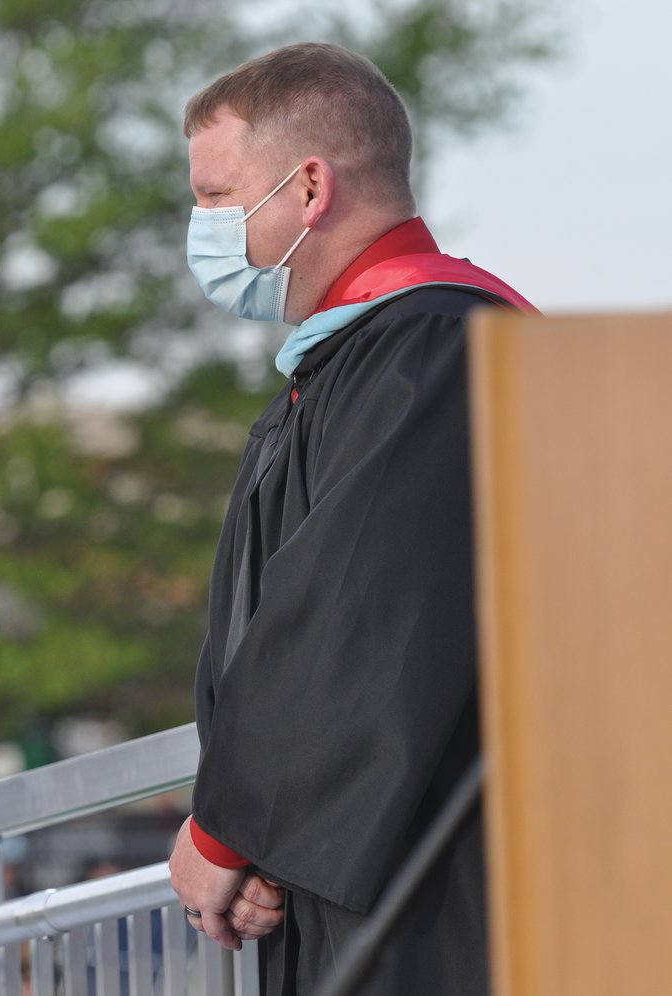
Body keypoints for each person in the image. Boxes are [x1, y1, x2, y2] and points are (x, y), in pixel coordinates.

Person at [165, 43, 533, 995]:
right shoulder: (365, 357)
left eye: (213, 195)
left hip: (438, 889)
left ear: (310, 187)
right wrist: (251, 839)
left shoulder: (432, 349)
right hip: (358, 869)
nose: (200, 225)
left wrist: (224, 831)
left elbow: (354, 622)